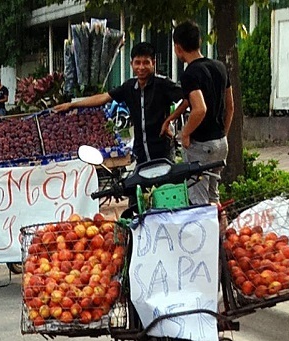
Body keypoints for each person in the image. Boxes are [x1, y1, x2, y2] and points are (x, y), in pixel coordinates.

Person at [54, 42, 183, 165]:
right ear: (131, 64)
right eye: (137, 63)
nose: (141, 67)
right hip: (141, 152)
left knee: (164, 186)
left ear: (153, 63)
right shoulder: (129, 87)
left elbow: (188, 98)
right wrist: (72, 105)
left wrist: (169, 121)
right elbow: (104, 98)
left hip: (162, 151)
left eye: (146, 63)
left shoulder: (163, 84)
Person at [170, 20, 234, 206]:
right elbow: (230, 107)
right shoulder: (220, 67)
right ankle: (222, 234)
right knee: (214, 197)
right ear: (199, 41)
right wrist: (223, 134)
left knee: (199, 201)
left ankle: (207, 235)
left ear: (178, 47)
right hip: (221, 143)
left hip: (201, 146)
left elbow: (199, 109)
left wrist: (185, 133)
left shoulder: (190, 74)